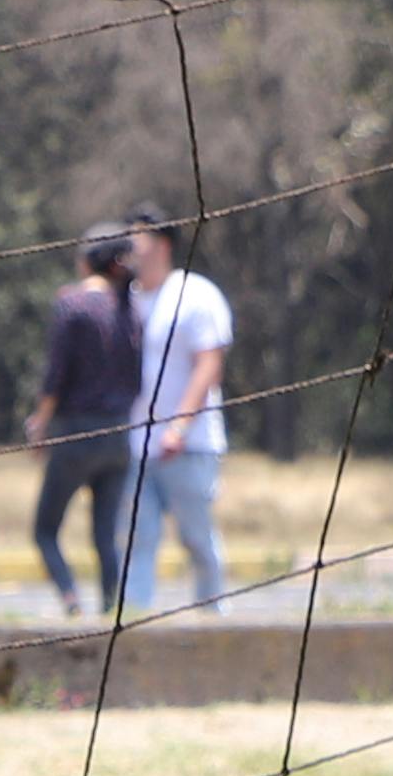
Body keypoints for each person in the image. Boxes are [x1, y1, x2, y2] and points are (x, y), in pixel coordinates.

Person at [26, 225, 140, 618]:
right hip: (119, 433)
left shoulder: (72, 305)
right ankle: (112, 608)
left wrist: (40, 423)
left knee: (45, 529)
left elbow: (56, 376)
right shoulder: (130, 309)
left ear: (88, 259)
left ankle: (71, 599)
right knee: (106, 534)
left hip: (76, 432)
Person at [125, 214, 236, 613]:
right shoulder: (126, 298)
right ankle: (133, 620)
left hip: (190, 444)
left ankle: (212, 615)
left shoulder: (195, 295)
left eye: (138, 238)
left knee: (196, 538)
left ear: (163, 244)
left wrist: (180, 426)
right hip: (137, 446)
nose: (131, 248)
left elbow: (209, 364)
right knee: (137, 537)